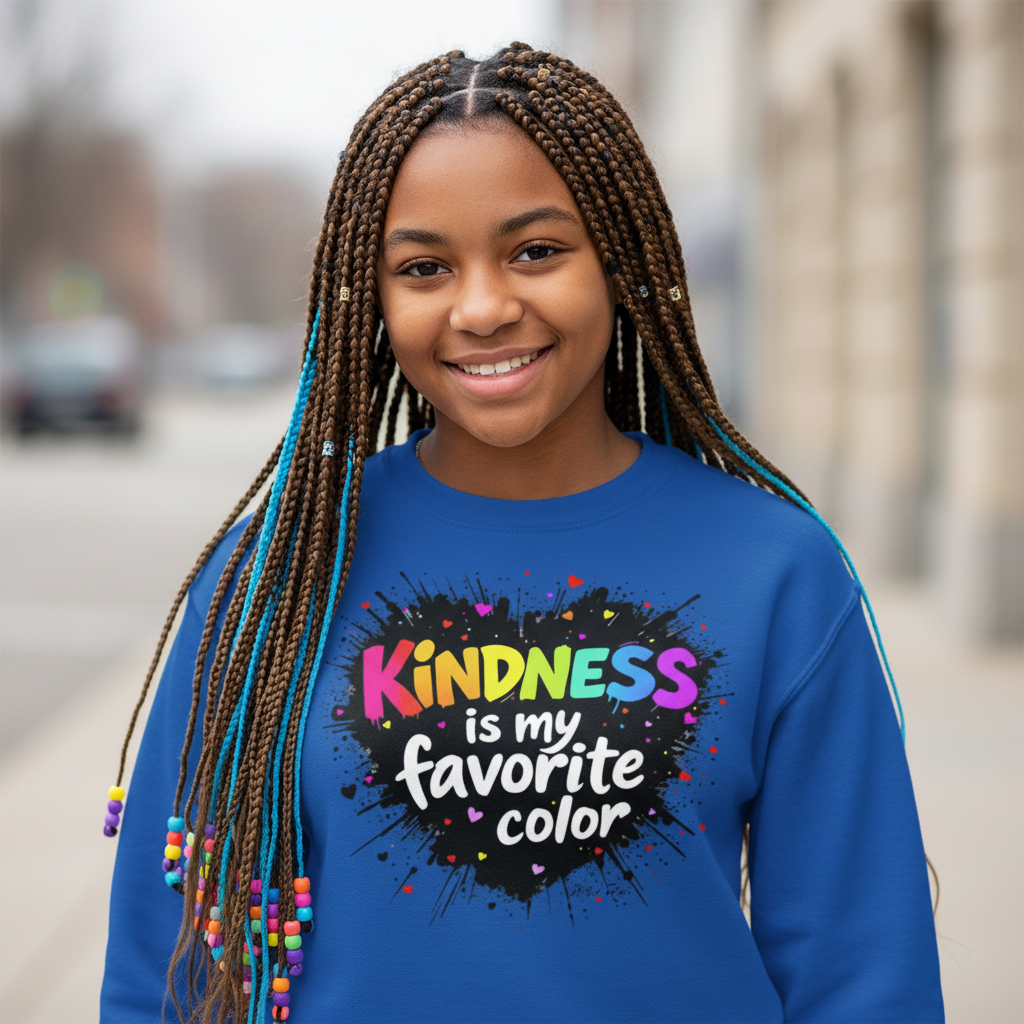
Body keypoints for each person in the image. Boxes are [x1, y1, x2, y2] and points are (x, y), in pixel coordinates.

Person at [100, 44, 943, 1023]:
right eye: (423, 267)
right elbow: (162, 973)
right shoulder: (275, 577)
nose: (484, 307)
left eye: (535, 250)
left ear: (619, 261)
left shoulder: (780, 573)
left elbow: (861, 974)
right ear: (370, 300)